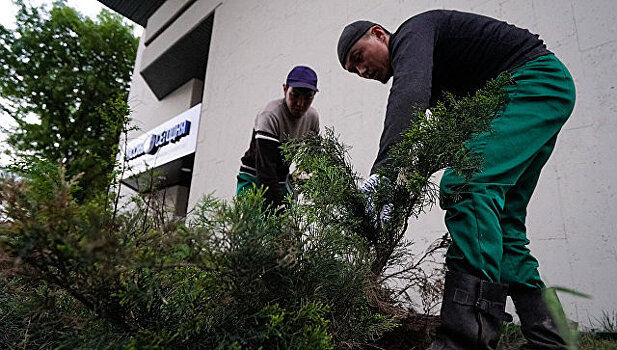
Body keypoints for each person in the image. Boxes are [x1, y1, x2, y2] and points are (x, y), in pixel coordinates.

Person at [337, 10, 575, 349]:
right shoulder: (437, 72)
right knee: (504, 227)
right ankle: (553, 341)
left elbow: (408, 96)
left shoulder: (412, 32)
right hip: (534, 92)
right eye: (353, 70)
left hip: (533, 82)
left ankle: (465, 341)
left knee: (466, 185)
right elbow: (447, 136)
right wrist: (404, 191)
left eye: (358, 58)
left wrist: (384, 175)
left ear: (379, 34)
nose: (362, 70)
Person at [237, 65, 320, 211]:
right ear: (285, 89)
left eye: (307, 97)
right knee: (254, 229)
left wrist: (305, 174)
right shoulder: (270, 115)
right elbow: (265, 168)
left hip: (281, 180)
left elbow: (315, 154)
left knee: (284, 231)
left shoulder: (312, 118)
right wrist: (277, 206)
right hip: (254, 177)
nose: (300, 104)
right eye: (294, 95)